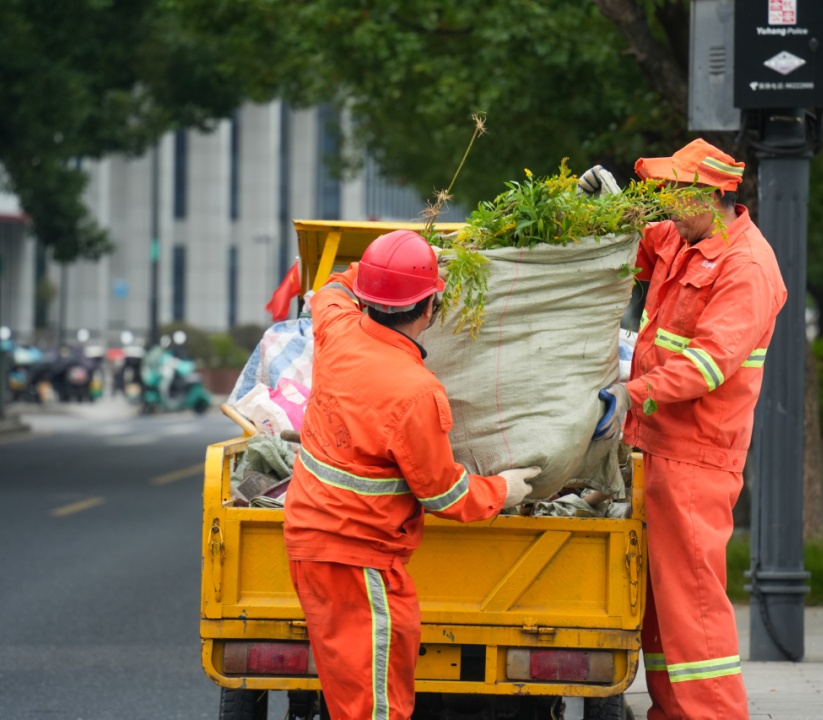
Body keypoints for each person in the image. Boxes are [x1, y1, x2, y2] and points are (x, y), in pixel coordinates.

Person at [284, 229, 541, 720]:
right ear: (430, 308)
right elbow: (444, 494)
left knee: (355, 699)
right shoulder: (415, 392)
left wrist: (386, 267)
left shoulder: (337, 328)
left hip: (313, 543)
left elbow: (336, 286)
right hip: (358, 559)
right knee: (375, 708)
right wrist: (503, 490)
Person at [583, 139, 788, 720]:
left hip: (696, 459)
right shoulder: (685, 237)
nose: (666, 203)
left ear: (713, 195)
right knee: (659, 612)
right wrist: (610, 207)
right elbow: (639, 247)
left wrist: (631, 393)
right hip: (657, 448)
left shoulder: (748, 267)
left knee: (692, 613)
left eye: (676, 191)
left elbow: (708, 364)